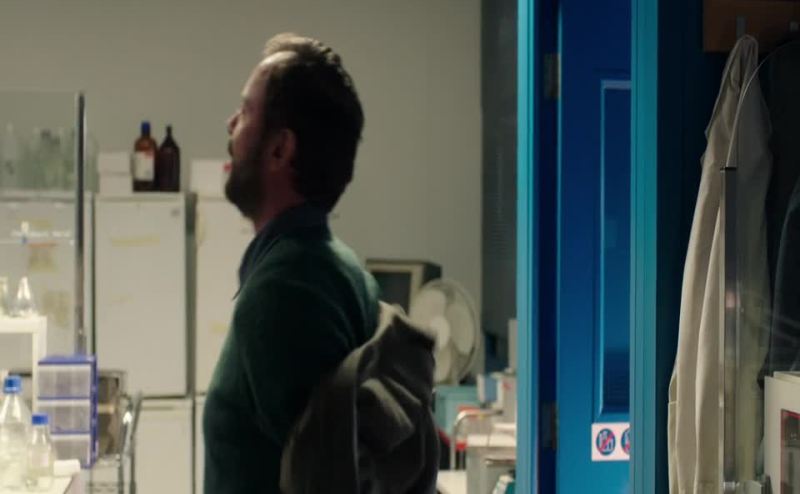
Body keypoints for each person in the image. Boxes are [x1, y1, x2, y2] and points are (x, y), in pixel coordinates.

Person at [203, 33, 380, 494]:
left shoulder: (286, 291)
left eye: (246, 112)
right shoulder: (338, 268)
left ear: (280, 149)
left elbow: (327, 482)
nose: (230, 124)